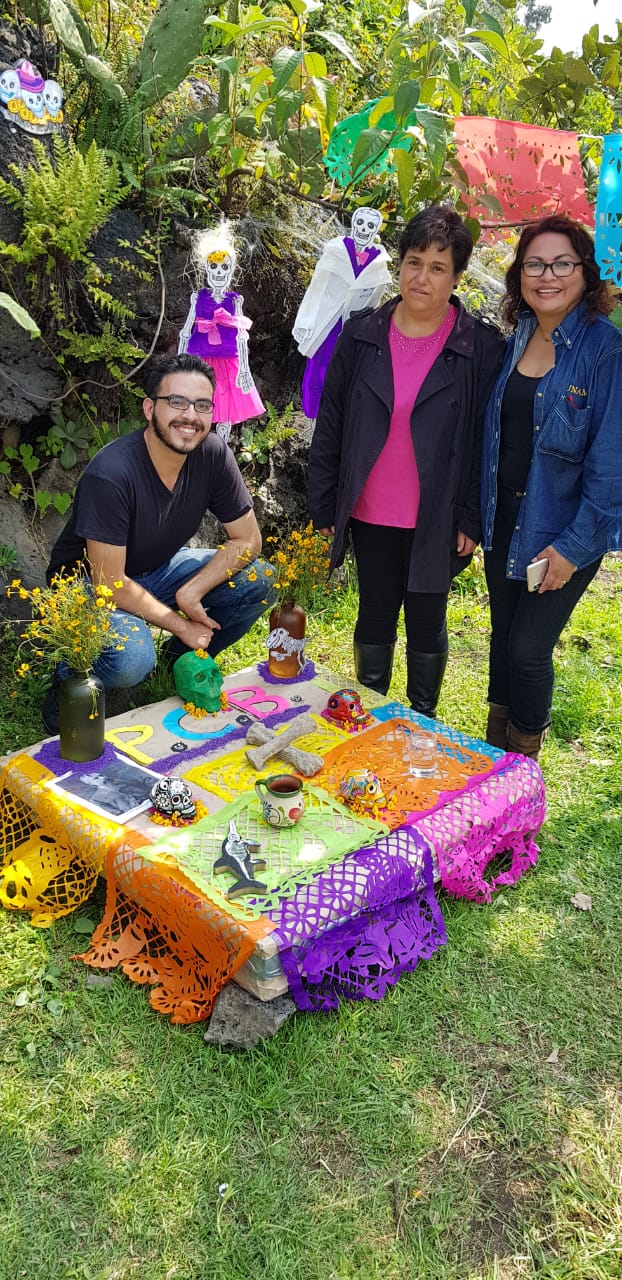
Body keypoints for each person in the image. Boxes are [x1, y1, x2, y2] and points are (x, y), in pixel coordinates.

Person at [307, 205, 505, 716]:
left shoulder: (479, 346)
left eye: (438, 267)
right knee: (374, 610)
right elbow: (331, 423)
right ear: (399, 265)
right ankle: (368, 710)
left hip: (436, 511)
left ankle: (421, 720)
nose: (422, 277)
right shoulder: (362, 334)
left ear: (457, 277)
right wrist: (325, 505)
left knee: (426, 615)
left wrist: (471, 515)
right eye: (414, 261)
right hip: (372, 505)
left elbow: (488, 440)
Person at [44, 354, 276, 731]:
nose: (191, 415)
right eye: (177, 402)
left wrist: (191, 593)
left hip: (157, 571)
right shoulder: (112, 473)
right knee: (132, 658)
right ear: (150, 408)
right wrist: (180, 624)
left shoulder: (213, 454)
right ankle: (70, 679)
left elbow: (248, 539)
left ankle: (177, 667)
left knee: (258, 579)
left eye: (202, 405)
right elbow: (110, 582)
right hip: (88, 586)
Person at [481, 214, 622, 760]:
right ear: (520, 273)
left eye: (563, 263)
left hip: (560, 530)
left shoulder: (605, 351)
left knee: (527, 649)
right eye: (535, 263)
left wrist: (572, 548)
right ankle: (492, 772)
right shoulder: (516, 338)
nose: (548, 275)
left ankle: (522, 773)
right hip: (504, 520)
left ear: (585, 272)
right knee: (501, 640)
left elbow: (612, 471)